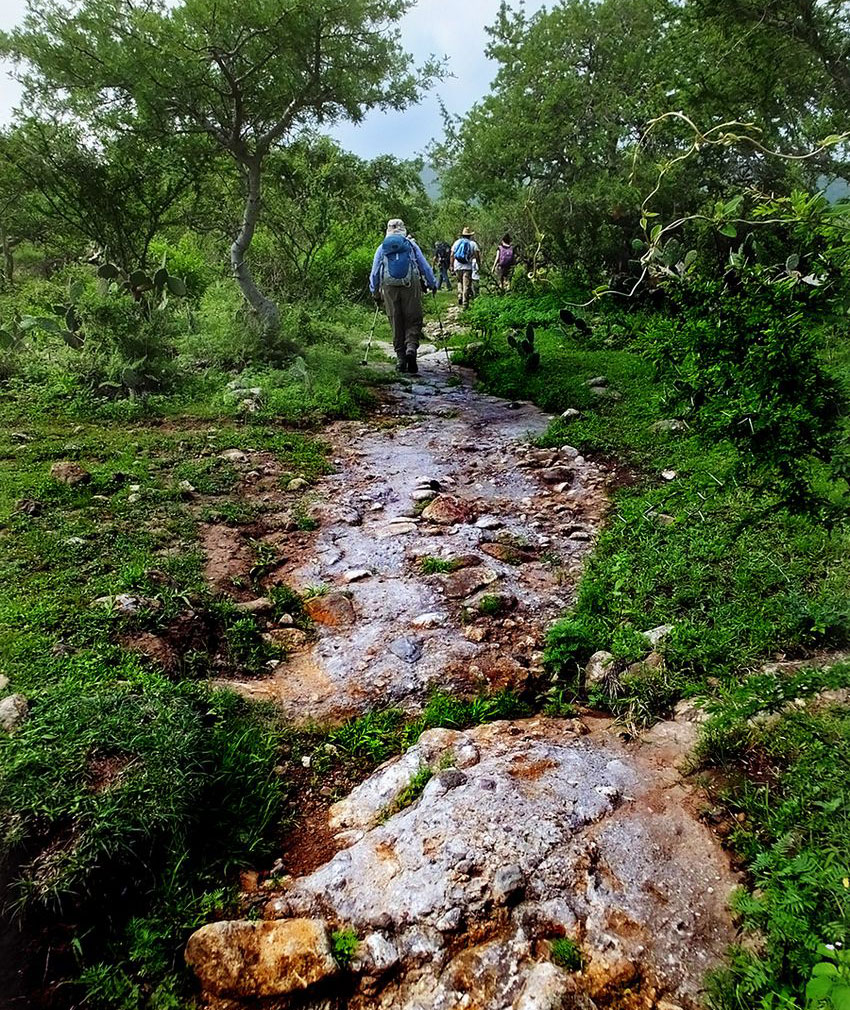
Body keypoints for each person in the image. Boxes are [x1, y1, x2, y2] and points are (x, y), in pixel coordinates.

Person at [369, 218, 437, 375]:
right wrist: (432, 283)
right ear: (403, 229)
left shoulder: (382, 248)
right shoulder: (411, 245)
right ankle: (411, 348)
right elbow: (424, 265)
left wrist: (375, 291)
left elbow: (374, 272)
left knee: (395, 318)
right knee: (413, 318)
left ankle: (400, 359)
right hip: (410, 283)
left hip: (389, 286)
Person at [451, 227, 481, 310]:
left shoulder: (457, 242)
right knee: (466, 285)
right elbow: (477, 255)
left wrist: (451, 266)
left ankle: (460, 295)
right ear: (470, 236)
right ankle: (465, 304)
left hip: (457, 266)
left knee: (459, 282)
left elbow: (452, 255)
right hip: (467, 267)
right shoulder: (473, 244)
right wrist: (479, 264)